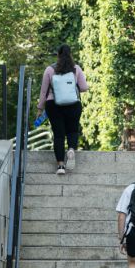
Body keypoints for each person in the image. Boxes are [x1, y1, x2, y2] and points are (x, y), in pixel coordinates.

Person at [40, 44, 88, 175]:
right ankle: (71, 149)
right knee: (72, 131)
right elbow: (84, 87)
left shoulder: (50, 70)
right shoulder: (76, 69)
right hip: (73, 104)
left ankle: (60, 166)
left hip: (53, 105)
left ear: (58, 55)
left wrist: (40, 108)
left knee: (59, 135)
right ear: (70, 54)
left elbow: (44, 91)